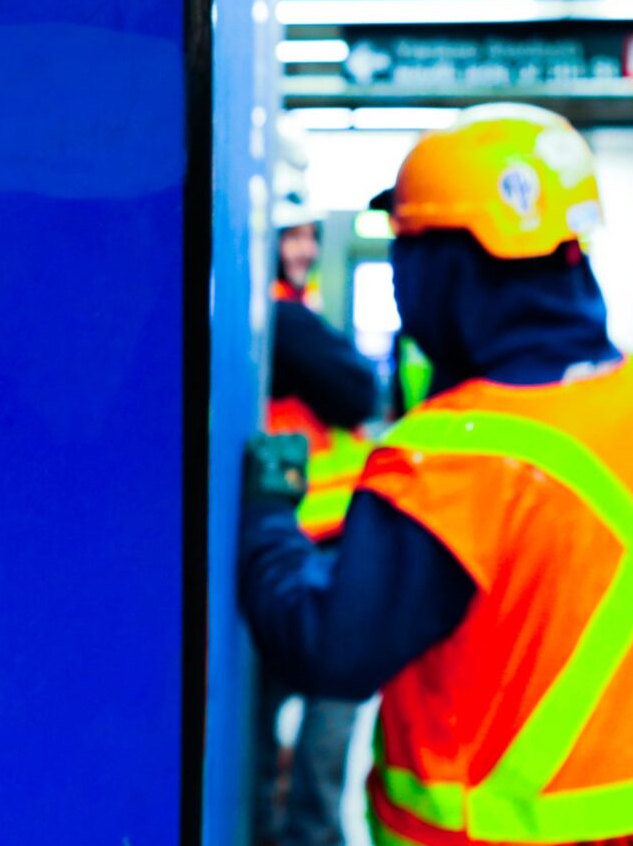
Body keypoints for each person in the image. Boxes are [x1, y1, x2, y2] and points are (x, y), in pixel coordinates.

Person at [238, 104, 633, 846]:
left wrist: (265, 518)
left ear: (441, 272)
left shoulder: (449, 457)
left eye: (405, 248)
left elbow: (327, 646)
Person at [253, 126, 381, 846]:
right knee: (326, 715)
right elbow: (359, 389)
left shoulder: (269, 315)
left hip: (302, 537)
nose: (304, 250)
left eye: (307, 236)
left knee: (277, 714)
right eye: (291, 236)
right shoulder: (281, 317)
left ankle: (284, 828)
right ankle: (305, 836)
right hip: (309, 543)